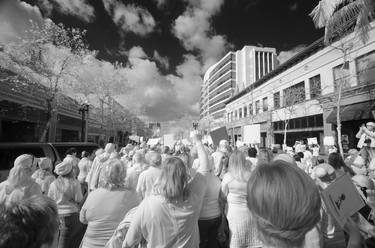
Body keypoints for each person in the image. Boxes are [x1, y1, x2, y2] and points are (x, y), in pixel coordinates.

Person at [123, 132, 210, 248]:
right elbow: (204, 167)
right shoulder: (194, 196)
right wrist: (198, 141)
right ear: (185, 176)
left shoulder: (148, 204)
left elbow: (129, 241)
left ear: (162, 174)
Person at [80, 159, 140, 248]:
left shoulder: (93, 194)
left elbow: (82, 219)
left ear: (104, 173)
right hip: (117, 244)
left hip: (90, 244)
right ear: (123, 174)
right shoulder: (133, 195)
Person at [221, 150, 262, 248]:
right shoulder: (251, 176)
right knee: (252, 241)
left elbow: (222, 196)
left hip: (234, 214)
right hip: (250, 213)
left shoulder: (228, 177)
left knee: (236, 241)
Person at [48, 159, 84, 248]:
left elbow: (49, 200)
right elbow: (79, 199)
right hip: (72, 214)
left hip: (57, 215)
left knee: (60, 241)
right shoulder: (75, 183)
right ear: (70, 171)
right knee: (73, 242)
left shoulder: (53, 183)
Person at [198, 156, 223, 248]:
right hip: (216, 215)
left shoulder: (198, 178)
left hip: (202, 217)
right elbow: (221, 199)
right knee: (213, 241)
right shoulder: (217, 179)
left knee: (202, 242)